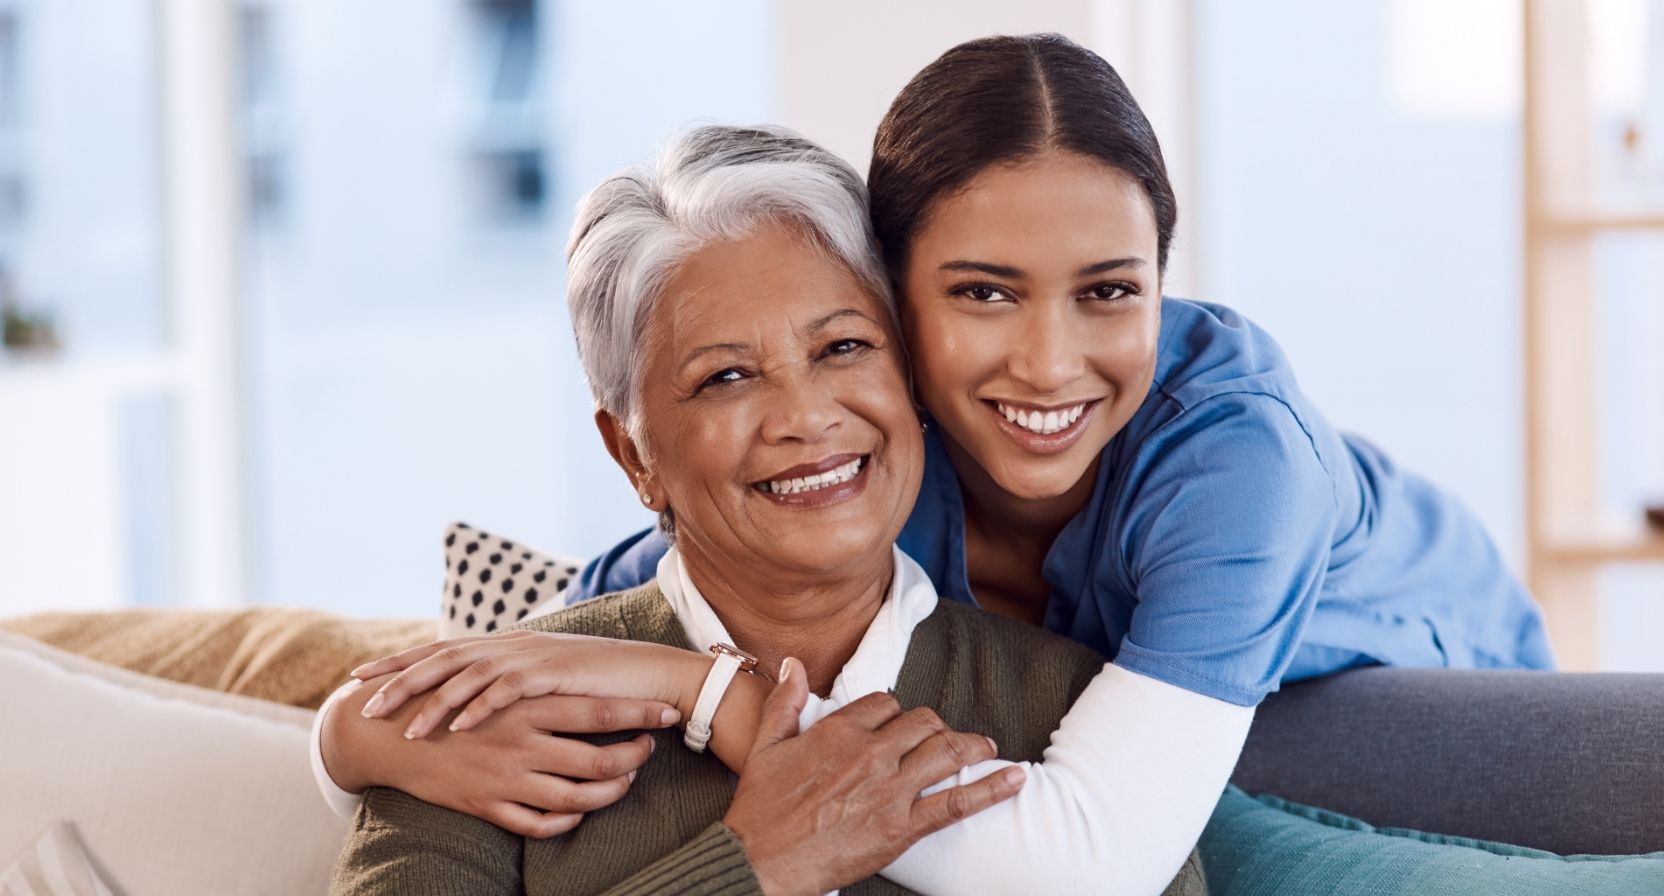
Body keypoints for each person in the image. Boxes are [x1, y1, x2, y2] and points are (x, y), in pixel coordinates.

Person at [322, 31, 1552, 892]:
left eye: (1109, 290)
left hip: (1424, 686)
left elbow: (1095, 859)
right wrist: (347, 736)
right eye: (980, 292)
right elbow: (565, 635)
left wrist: (728, 710)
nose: (1046, 361)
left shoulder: (1229, 462)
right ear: (901, 313)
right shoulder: (860, 471)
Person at [330, 123, 1207, 895]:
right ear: (636, 456)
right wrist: (756, 867)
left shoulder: (1065, 713)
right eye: (726, 377)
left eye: (845, 347)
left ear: (911, 377)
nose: (805, 418)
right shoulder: (491, 717)